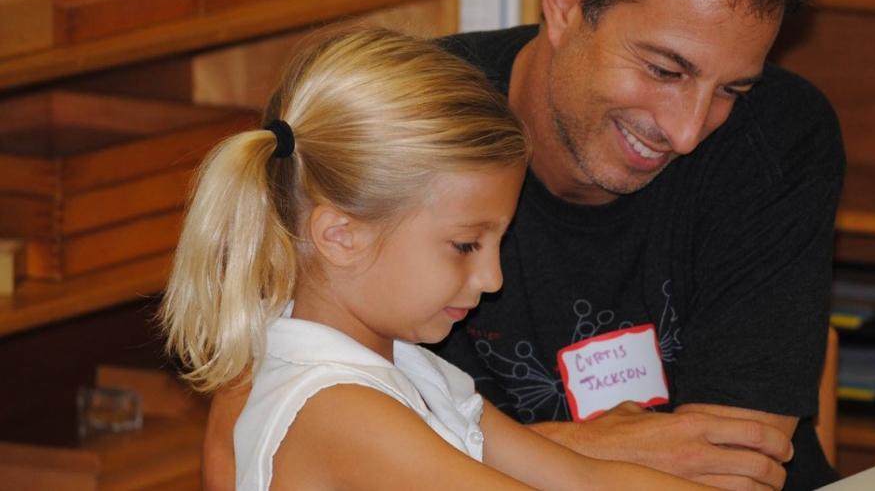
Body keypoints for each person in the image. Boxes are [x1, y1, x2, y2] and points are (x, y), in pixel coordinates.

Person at [206, 0, 843, 489]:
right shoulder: (384, 131)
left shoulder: (776, 136)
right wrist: (583, 450)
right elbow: (237, 440)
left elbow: (734, 467)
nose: (687, 130)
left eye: (731, 87)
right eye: (664, 69)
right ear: (566, 2)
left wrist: (537, 455)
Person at [161, 28, 712, 490]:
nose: (492, 278)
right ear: (341, 235)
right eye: (467, 244)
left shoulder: (403, 363)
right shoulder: (338, 409)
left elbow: (583, 479)